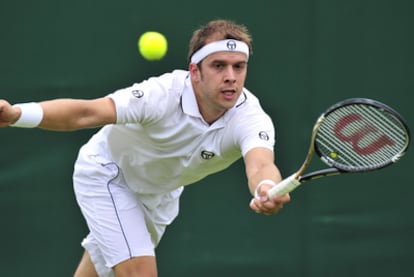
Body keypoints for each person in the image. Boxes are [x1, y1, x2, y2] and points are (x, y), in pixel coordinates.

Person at [0, 19, 291, 277]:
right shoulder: (160, 94)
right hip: (108, 174)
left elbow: (261, 164)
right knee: (139, 272)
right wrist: (16, 115)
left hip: (159, 195)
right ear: (195, 71)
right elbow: (86, 113)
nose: (231, 76)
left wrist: (266, 186)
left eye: (238, 66)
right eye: (219, 66)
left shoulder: (251, 117)